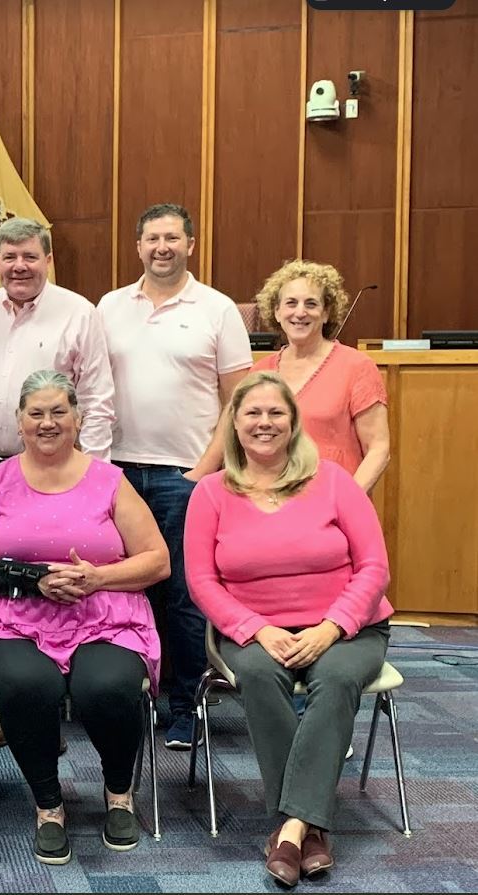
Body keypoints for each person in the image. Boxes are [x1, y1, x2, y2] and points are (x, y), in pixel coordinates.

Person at [0, 370, 169, 864]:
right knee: (30, 686)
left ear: (79, 419)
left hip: (104, 616)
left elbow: (157, 559)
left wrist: (98, 579)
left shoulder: (110, 480)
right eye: (36, 413)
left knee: (105, 687)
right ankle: (49, 806)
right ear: (19, 422)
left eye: (58, 412)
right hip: (6, 619)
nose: (47, 423)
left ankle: (118, 795)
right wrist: (32, 579)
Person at [184, 371, 393, 887]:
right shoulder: (211, 493)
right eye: (252, 413)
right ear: (233, 424)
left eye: (276, 413)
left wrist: (332, 626)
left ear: (294, 423)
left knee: (338, 679)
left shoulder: (335, 480)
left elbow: (374, 568)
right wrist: (255, 628)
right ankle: (311, 826)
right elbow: (202, 582)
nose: (264, 423)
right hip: (251, 630)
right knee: (259, 675)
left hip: (348, 627)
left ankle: (290, 827)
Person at [0, 216, 116, 749]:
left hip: (54, 474)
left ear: (47, 259)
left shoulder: (78, 313)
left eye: (30, 256)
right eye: (8, 256)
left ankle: (51, 695)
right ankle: (6, 696)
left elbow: (97, 399)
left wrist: (93, 480)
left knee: (53, 577)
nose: (19, 265)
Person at [97, 203, 251, 750]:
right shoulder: (111, 306)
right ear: (137, 246)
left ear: (191, 244)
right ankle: (130, 699)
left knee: (185, 595)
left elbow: (238, 403)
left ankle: (186, 707)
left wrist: (200, 473)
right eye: (151, 238)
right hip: (113, 473)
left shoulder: (217, 309)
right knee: (120, 592)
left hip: (185, 477)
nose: (161, 247)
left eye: (172, 238)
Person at [251, 259, 390, 492]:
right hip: (273, 506)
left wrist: (348, 501)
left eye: (311, 304)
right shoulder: (260, 372)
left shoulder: (357, 367)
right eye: (291, 303)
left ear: (326, 313)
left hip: (335, 508)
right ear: (276, 312)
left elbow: (379, 449)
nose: (300, 312)